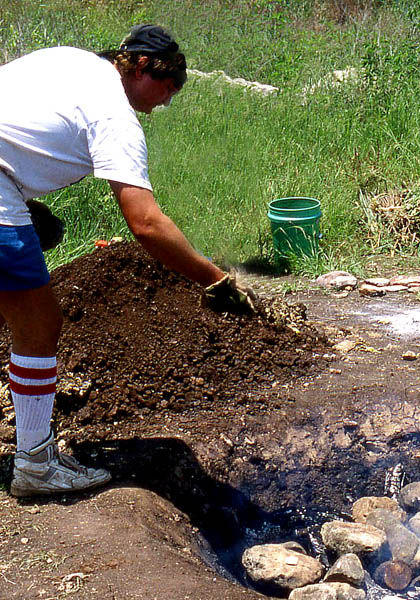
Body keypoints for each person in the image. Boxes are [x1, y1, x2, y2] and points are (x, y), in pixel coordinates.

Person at [0, 24, 256, 497]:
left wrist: (21, 199)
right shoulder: (115, 117)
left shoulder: (72, 59)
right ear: (140, 67)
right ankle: (35, 464)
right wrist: (216, 280)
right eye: (168, 86)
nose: (167, 101)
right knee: (39, 326)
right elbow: (147, 225)